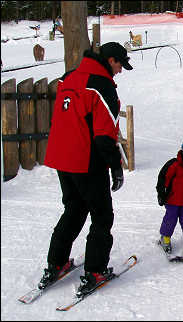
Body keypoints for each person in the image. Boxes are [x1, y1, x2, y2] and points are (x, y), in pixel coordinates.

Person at [40, 42, 133, 296]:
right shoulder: (102, 86)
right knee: (102, 215)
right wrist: (116, 167)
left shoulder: (68, 76)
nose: (120, 71)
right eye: (119, 65)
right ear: (110, 60)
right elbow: (104, 136)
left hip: (61, 156)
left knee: (74, 208)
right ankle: (95, 271)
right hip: (85, 160)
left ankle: (55, 262)